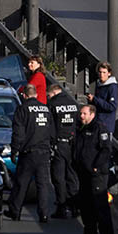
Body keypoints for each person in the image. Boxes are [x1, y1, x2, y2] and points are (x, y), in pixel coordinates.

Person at [6, 93, 55, 223]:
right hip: (44, 152)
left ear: (24, 95)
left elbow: (18, 133)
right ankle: (44, 214)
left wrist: (15, 150)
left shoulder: (22, 109)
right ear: (36, 95)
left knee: (21, 184)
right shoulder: (45, 109)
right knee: (43, 185)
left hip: (28, 152)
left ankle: (15, 211)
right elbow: (52, 131)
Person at [73, 103, 114, 234]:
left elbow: (105, 150)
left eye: (84, 114)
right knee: (86, 205)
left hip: (97, 175)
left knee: (100, 205)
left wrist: (96, 166)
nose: (81, 116)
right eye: (81, 113)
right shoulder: (80, 128)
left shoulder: (99, 128)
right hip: (83, 172)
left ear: (92, 114)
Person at [47, 84, 80, 219]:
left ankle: (62, 207)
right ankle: (75, 206)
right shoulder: (73, 103)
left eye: (48, 95)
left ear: (53, 93)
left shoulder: (53, 104)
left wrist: (51, 144)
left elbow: (50, 127)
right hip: (72, 143)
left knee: (58, 176)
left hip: (59, 144)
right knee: (72, 176)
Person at [88, 62, 118, 135]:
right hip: (97, 122)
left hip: (106, 125)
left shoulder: (112, 86)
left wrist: (95, 99)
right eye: (100, 72)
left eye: (104, 72)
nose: (101, 75)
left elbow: (112, 107)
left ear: (109, 73)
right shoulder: (99, 84)